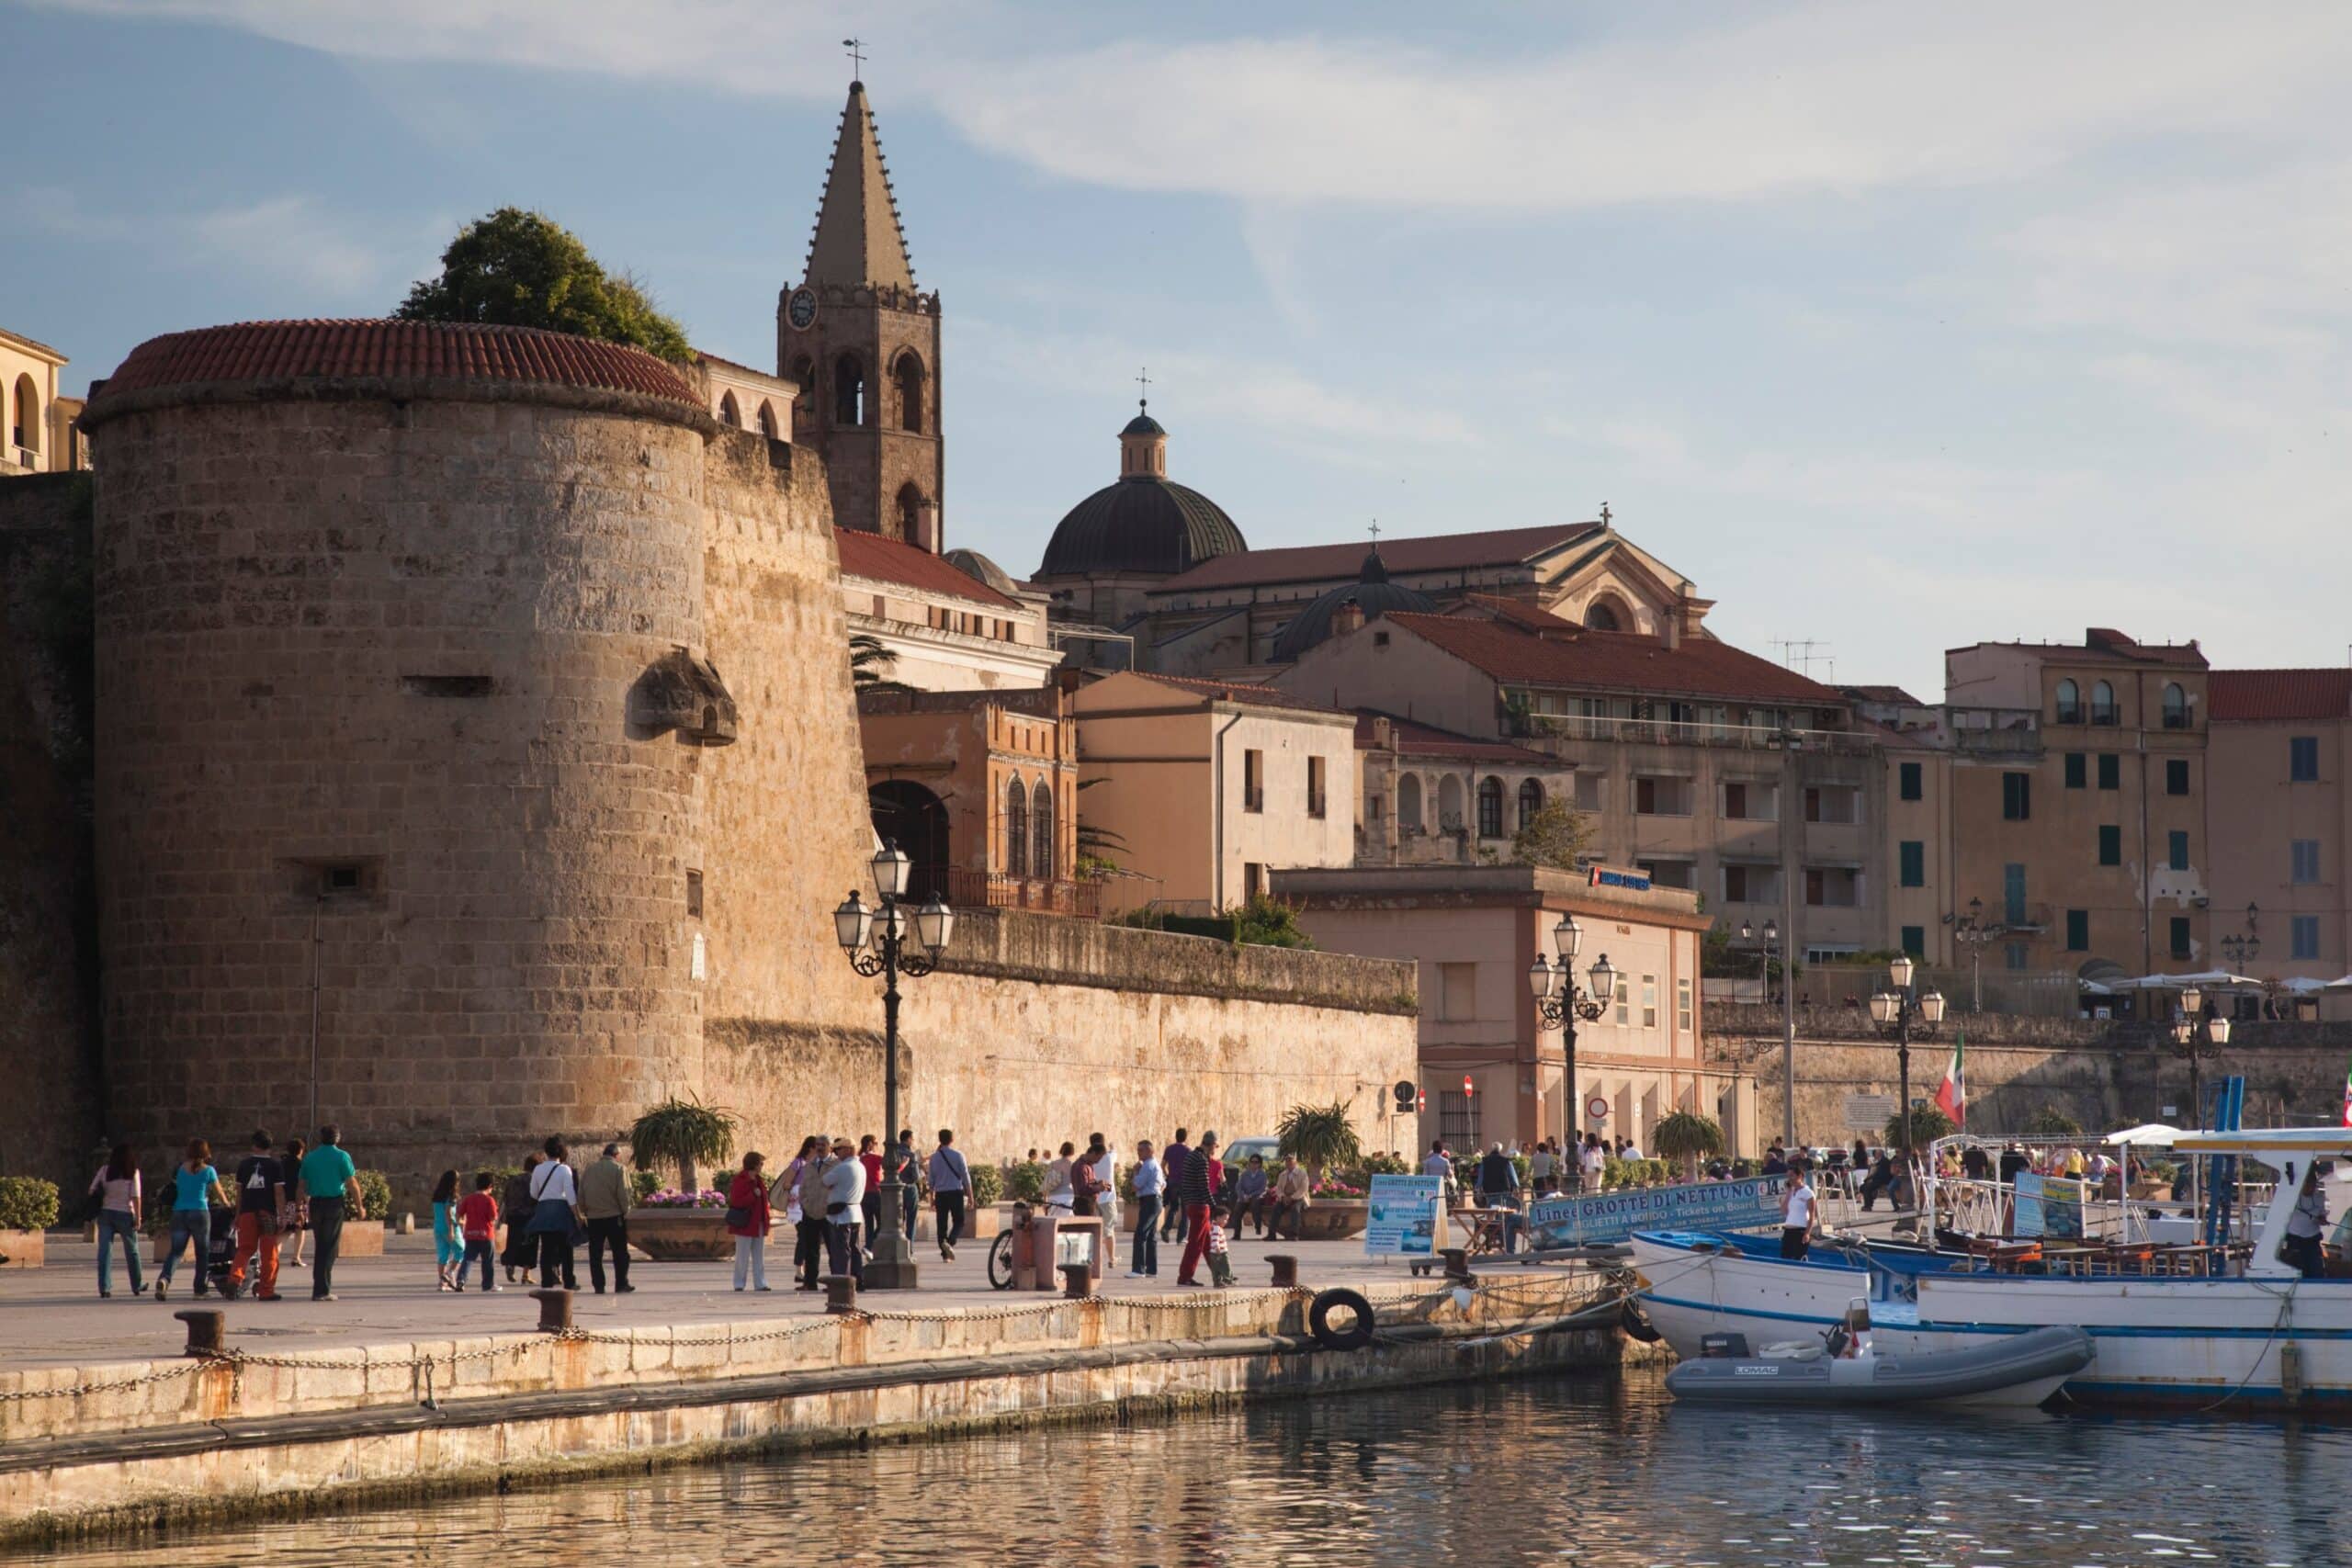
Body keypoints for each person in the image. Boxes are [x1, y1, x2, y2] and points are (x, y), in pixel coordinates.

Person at [156, 1139, 230, 1302]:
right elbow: (219, 1191)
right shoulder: (209, 1170)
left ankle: (164, 1279)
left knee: (176, 1251)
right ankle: (199, 1290)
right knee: (202, 1252)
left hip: (179, 1212)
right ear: (205, 1152)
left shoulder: (180, 1169)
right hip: (200, 1212)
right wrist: (227, 1204)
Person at [298, 1125, 365, 1302]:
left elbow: (301, 1185)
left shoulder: (310, 1158)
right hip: (333, 1204)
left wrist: (299, 1208)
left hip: (316, 1204)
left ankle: (319, 1286)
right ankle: (321, 1289)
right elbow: (352, 1183)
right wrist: (360, 1207)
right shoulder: (342, 1156)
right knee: (329, 1248)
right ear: (337, 1138)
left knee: (321, 1245)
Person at [226, 1130, 286, 1303]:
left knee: (245, 1249)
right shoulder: (275, 1166)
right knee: (269, 1253)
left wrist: (237, 1215)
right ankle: (266, 1290)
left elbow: (239, 1193)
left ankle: (235, 1279)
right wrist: (282, 1215)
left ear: (254, 1145)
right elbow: (279, 1193)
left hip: (247, 1212)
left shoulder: (244, 1165)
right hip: (268, 1213)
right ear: (270, 1146)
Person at [88, 1143, 145, 1299]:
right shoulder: (132, 1172)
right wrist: (138, 1218)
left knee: (105, 1251)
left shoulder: (105, 1170)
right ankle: (137, 1285)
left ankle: (104, 1288)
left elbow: (91, 1189)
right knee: (132, 1250)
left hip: (106, 1213)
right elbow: (135, 1197)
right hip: (125, 1214)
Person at [525, 1136, 581, 1291]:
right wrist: (577, 1214)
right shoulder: (564, 1169)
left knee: (546, 1248)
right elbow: (570, 1195)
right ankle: (569, 1281)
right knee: (566, 1249)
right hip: (561, 1210)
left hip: (544, 1210)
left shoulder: (538, 1169)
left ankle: (546, 1280)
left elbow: (533, 1193)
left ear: (546, 1151)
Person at [580, 1141, 634, 1294]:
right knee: (620, 1253)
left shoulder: (589, 1170)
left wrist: (584, 1211)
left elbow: (581, 1193)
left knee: (595, 1253)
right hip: (614, 1216)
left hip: (594, 1218)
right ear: (616, 1156)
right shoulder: (619, 1169)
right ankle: (621, 1283)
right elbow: (624, 1194)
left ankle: (598, 1285)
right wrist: (626, 1212)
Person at [1175, 1133, 1221, 1286]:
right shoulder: (1202, 1160)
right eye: (1215, 1146)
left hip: (1191, 1203)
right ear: (1211, 1144)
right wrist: (1214, 1205)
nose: (1215, 1150)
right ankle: (1185, 1276)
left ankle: (1219, 1273)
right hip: (1200, 1206)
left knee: (1207, 1243)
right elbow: (1204, 1187)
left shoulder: (1190, 1156)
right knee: (1195, 1243)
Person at [824, 1136, 867, 1285]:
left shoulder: (843, 1168)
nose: (837, 1154)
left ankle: (841, 1283)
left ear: (848, 1150)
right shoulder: (860, 1166)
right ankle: (858, 1280)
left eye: (839, 1150)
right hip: (855, 1213)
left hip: (841, 1215)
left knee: (841, 1251)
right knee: (854, 1249)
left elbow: (825, 1181)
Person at [729, 1151, 774, 1291]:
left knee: (758, 1256)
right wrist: (753, 1195)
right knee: (742, 1255)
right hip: (746, 1223)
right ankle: (739, 1283)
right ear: (753, 1164)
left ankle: (760, 1283)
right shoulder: (740, 1180)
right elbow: (736, 1201)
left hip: (758, 1221)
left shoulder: (759, 1180)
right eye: (760, 1163)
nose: (762, 1166)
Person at [794, 1137, 831, 1290]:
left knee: (833, 1249)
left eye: (823, 1145)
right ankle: (810, 1282)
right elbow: (803, 1187)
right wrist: (805, 1203)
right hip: (810, 1212)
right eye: (818, 1145)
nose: (820, 1148)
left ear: (829, 1147)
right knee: (811, 1249)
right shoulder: (809, 1165)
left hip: (828, 1212)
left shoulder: (835, 1165)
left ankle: (836, 1282)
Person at [927, 1129, 970, 1261]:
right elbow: (965, 1177)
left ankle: (945, 1254)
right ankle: (950, 1242)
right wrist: (971, 1196)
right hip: (955, 1192)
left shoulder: (934, 1158)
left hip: (940, 1194)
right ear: (952, 1140)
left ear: (940, 1140)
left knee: (941, 1224)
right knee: (959, 1221)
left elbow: (931, 1181)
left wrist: (932, 1199)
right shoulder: (958, 1155)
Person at [2282, 1162, 2329, 1280]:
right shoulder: (2293, 1197)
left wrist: (2322, 1220)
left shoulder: (2320, 1198)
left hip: (2313, 1240)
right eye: (2307, 1185)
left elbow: (2322, 1215)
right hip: (2295, 1239)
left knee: (2316, 1270)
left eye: (2313, 1185)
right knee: (2298, 1270)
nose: (2310, 1188)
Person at [455, 1172, 500, 1292]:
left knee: (468, 1259)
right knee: (488, 1261)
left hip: (470, 1234)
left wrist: (463, 1223)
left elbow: (458, 1214)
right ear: (490, 1186)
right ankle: (487, 1284)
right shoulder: (489, 1200)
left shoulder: (468, 1199)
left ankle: (461, 1280)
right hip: (486, 1234)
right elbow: (493, 1217)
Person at [500, 1156, 540, 1283]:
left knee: (513, 1242)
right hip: (529, 1215)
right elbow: (536, 1197)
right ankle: (526, 1274)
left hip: (513, 1215)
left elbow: (505, 1197)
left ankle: (510, 1263)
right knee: (530, 1245)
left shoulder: (513, 1180)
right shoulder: (535, 1180)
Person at [1128, 1138, 1163, 1279]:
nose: (1138, 1153)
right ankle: (1151, 1269)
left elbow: (1135, 1186)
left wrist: (1136, 1171)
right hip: (1155, 1200)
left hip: (1149, 1201)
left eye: (1141, 1150)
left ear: (1150, 1151)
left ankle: (1138, 1269)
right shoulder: (1156, 1165)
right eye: (1138, 1151)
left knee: (1140, 1235)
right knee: (1150, 1237)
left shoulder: (1147, 1166)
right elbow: (1163, 1184)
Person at [1087, 1134, 1119, 1269]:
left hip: (1094, 1198)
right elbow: (1114, 1152)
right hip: (1108, 1198)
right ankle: (1111, 1259)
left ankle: (1094, 1259)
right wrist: (1112, 1147)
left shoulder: (1090, 1159)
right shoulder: (1109, 1157)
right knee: (1109, 1230)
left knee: (1095, 1231)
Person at [278, 1136, 311, 1271]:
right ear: (301, 1150)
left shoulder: (281, 1164)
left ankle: (273, 1256)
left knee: (284, 1230)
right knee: (299, 1229)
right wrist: (307, 1200)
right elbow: (303, 1185)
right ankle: (296, 1257)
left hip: (283, 1201)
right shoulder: (302, 1164)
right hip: (297, 1202)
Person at [430, 1169, 464, 1291]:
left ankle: (442, 1284)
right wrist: (451, 1231)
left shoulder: (437, 1195)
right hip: (449, 1226)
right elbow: (449, 1213)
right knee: (461, 1250)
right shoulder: (451, 1196)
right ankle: (449, 1274)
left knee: (443, 1255)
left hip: (438, 1227)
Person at [889, 1129, 922, 1244]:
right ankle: (909, 1248)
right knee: (911, 1220)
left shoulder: (892, 1152)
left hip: (894, 1189)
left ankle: (897, 1245)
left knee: (898, 1219)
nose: (912, 1141)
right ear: (908, 1139)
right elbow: (915, 1176)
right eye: (912, 1139)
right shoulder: (911, 1155)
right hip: (909, 1188)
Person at [1269, 1154, 1311, 1242]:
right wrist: (1282, 1197)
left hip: (1299, 1198)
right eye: (1287, 1162)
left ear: (1295, 1163)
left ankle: (1294, 1234)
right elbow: (1278, 1188)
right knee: (1276, 1208)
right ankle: (1271, 1234)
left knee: (1295, 1209)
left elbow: (1303, 1189)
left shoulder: (1302, 1174)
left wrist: (1292, 1197)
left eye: (1291, 1162)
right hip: (1285, 1198)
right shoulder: (1282, 1175)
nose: (1289, 1164)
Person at [1160, 1130, 1193, 1243]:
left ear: (1176, 1137)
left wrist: (1168, 1175)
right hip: (1185, 1182)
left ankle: (1166, 1228)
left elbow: (1163, 1165)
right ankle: (1181, 1237)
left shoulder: (1169, 1149)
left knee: (1173, 1207)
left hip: (1172, 1182)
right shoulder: (1188, 1151)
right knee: (1185, 1211)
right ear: (1186, 1137)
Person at [1781, 1166, 1816, 1260]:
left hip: (1800, 1230)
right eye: (1788, 1176)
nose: (1790, 1179)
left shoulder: (1808, 1193)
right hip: (1789, 1229)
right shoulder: (1791, 1192)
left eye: (1792, 1176)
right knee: (1785, 1257)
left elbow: (1812, 1215)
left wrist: (1807, 1233)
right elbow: (1784, 1211)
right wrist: (1788, 1193)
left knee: (1798, 1258)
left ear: (1799, 1176)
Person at [1231, 1155, 1271, 1236]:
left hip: (1256, 1196)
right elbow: (1238, 1186)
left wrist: (1251, 1195)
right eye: (1252, 1162)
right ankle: (1236, 1234)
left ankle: (1258, 1227)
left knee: (1255, 1205)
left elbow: (1262, 1189)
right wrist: (1243, 1195)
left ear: (1259, 1164)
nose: (1253, 1164)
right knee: (1237, 1210)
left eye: (1256, 1162)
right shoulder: (1245, 1174)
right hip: (1244, 1196)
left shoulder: (1263, 1175)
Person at [857, 1134, 886, 1247]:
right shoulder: (874, 1158)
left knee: (869, 1225)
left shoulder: (860, 1158)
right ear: (870, 1144)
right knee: (882, 1223)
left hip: (863, 1194)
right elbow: (893, 1166)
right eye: (876, 1143)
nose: (876, 1146)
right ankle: (869, 1245)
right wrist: (905, 1163)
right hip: (875, 1193)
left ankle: (869, 1246)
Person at [1044, 1141, 1076, 1216]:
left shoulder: (1052, 1164)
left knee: (1054, 1224)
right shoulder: (1072, 1166)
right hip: (1067, 1198)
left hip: (1053, 1198)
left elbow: (1046, 1184)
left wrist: (1045, 1201)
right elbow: (1075, 1184)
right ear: (1072, 1153)